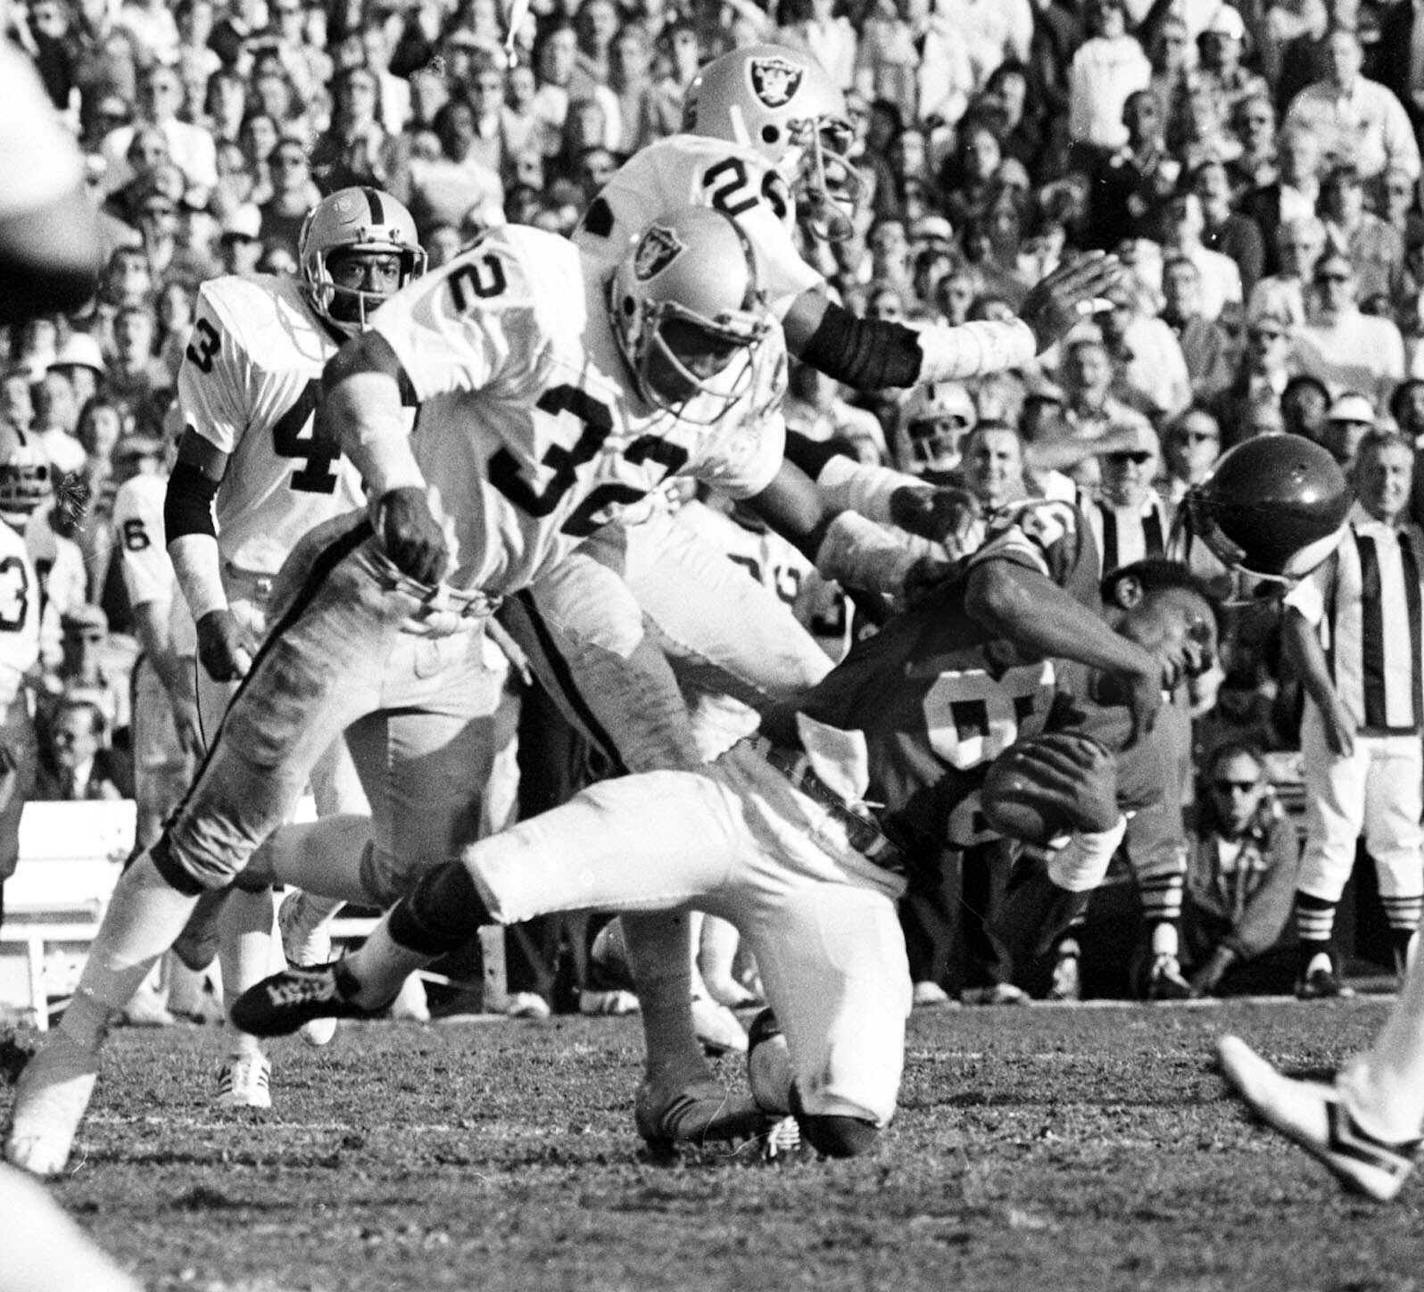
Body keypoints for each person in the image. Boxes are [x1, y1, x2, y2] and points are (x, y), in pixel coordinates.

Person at [3, 204, 919, 1177]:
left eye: (724, 343)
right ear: (640, 304)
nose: (703, 363)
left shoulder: (723, 382)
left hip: (484, 610)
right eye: (691, 336)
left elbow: (805, 510)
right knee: (206, 841)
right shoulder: (536, 286)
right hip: (364, 586)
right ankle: (69, 1057)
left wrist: (917, 560)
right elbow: (364, 375)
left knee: (452, 860)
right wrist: (395, 487)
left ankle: (269, 866)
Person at [228, 540, 1218, 1159]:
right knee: (499, 872)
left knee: (846, 1124)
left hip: (853, 878)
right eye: (1188, 626)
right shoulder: (1047, 566)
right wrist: (1125, 657)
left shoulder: (1120, 738)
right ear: (1127, 590)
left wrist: (1056, 812)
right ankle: (356, 978)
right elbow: (998, 588)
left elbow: (984, 820)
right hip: (750, 791)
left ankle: (764, 1048)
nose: (1194, 654)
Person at [163, 184, 489, 1106]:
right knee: (250, 819)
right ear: (314, 263)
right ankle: (246, 1056)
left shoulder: (427, 333)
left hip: (368, 596)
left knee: (389, 845)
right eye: (358, 267)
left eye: (391, 269)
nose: (374, 286)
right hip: (259, 594)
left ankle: (300, 935)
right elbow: (189, 494)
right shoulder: (244, 318)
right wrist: (208, 608)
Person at [1279, 429, 1424, 999]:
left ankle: (1409, 966)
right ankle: (1315, 961)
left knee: (1401, 842)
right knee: (1333, 837)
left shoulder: (1417, 544)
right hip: (1344, 717)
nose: (1388, 482)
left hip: (1408, 726)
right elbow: (1296, 622)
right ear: (1357, 477)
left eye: (1399, 472)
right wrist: (1328, 703)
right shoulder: (1333, 542)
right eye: (1378, 470)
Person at [1182, 741, 1298, 998]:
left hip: (1252, 953)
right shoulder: (1191, 829)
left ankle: (1214, 984)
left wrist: (1224, 956)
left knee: (1314, 960)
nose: (1235, 796)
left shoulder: (1278, 830)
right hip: (1199, 947)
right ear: (1211, 789)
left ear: (1261, 788)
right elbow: (1187, 895)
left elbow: (1272, 903)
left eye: (1245, 787)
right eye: (1224, 787)